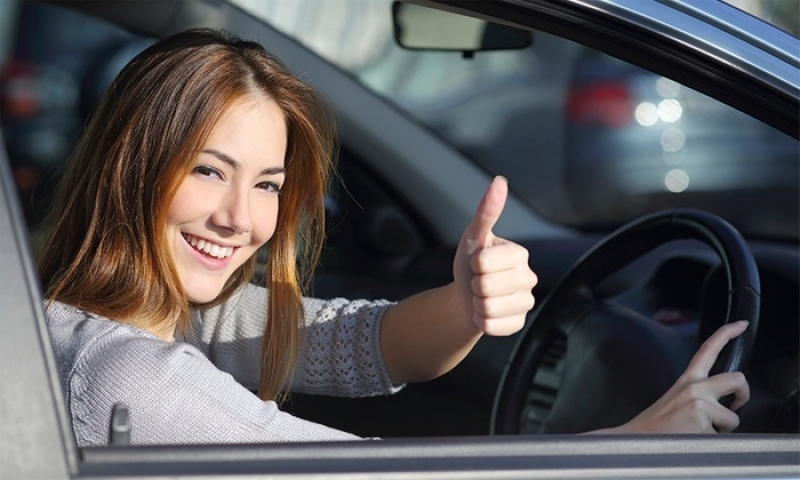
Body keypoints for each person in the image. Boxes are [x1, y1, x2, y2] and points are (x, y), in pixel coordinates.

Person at [39, 29, 749, 447]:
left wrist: (465, 306)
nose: (240, 218)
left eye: (266, 184)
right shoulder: (124, 376)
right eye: (206, 170)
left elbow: (361, 343)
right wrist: (636, 443)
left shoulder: (157, 315)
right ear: (131, 167)